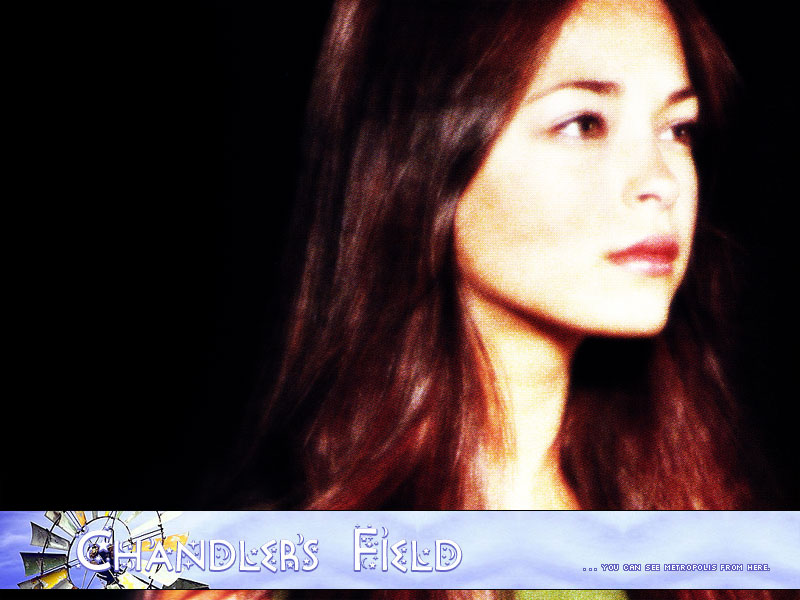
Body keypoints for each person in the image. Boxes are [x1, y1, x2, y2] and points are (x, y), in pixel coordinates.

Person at [229, 0, 776, 551]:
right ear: (416, 156)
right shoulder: (234, 560)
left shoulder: (725, 547)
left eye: (678, 129)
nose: (662, 182)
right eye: (583, 124)